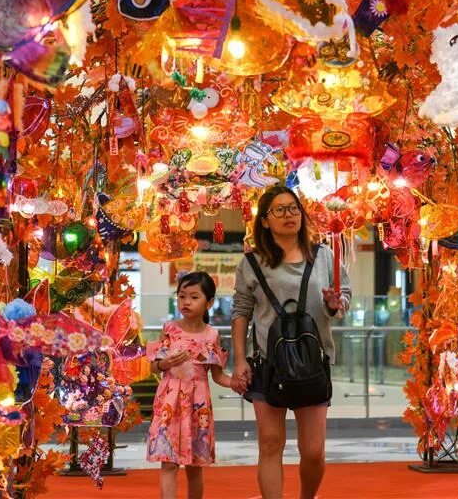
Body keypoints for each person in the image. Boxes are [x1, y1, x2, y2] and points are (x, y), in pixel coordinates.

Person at [231, 186, 350, 499]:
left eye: (294, 208)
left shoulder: (324, 255)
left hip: (313, 361)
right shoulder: (252, 262)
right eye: (279, 210)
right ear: (265, 221)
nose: (289, 215)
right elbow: (241, 312)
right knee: (270, 443)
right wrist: (240, 359)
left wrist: (336, 303)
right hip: (266, 364)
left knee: (313, 451)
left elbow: (343, 298)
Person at [146, 272, 233, 499]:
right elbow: (153, 368)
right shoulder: (170, 329)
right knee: (168, 464)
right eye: (182, 296)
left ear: (209, 303)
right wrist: (165, 363)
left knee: (195, 467)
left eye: (194, 297)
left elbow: (218, 376)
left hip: (198, 406)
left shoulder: (213, 335)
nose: (186, 302)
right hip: (169, 404)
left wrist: (237, 383)